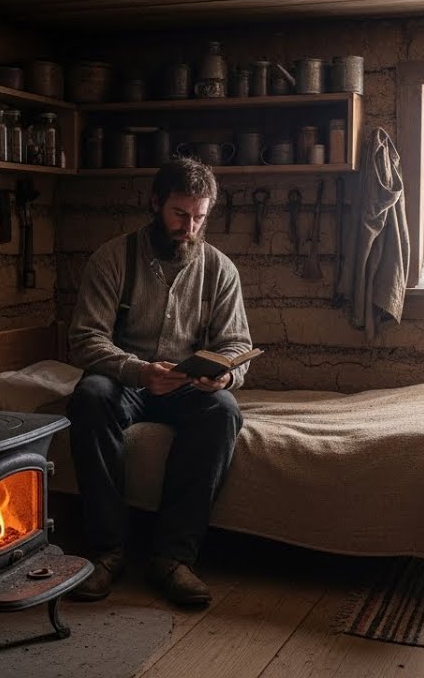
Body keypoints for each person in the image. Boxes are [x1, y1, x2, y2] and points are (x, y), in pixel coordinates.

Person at [65, 158, 252, 606]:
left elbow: (236, 344)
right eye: (180, 215)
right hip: (125, 379)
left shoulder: (220, 269)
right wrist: (137, 371)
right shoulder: (112, 258)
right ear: (155, 204)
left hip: (186, 385)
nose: (190, 227)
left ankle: (172, 558)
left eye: (200, 217)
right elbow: (85, 340)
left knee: (224, 411)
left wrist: (224, 374)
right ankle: (107, 552)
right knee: (89, 396)